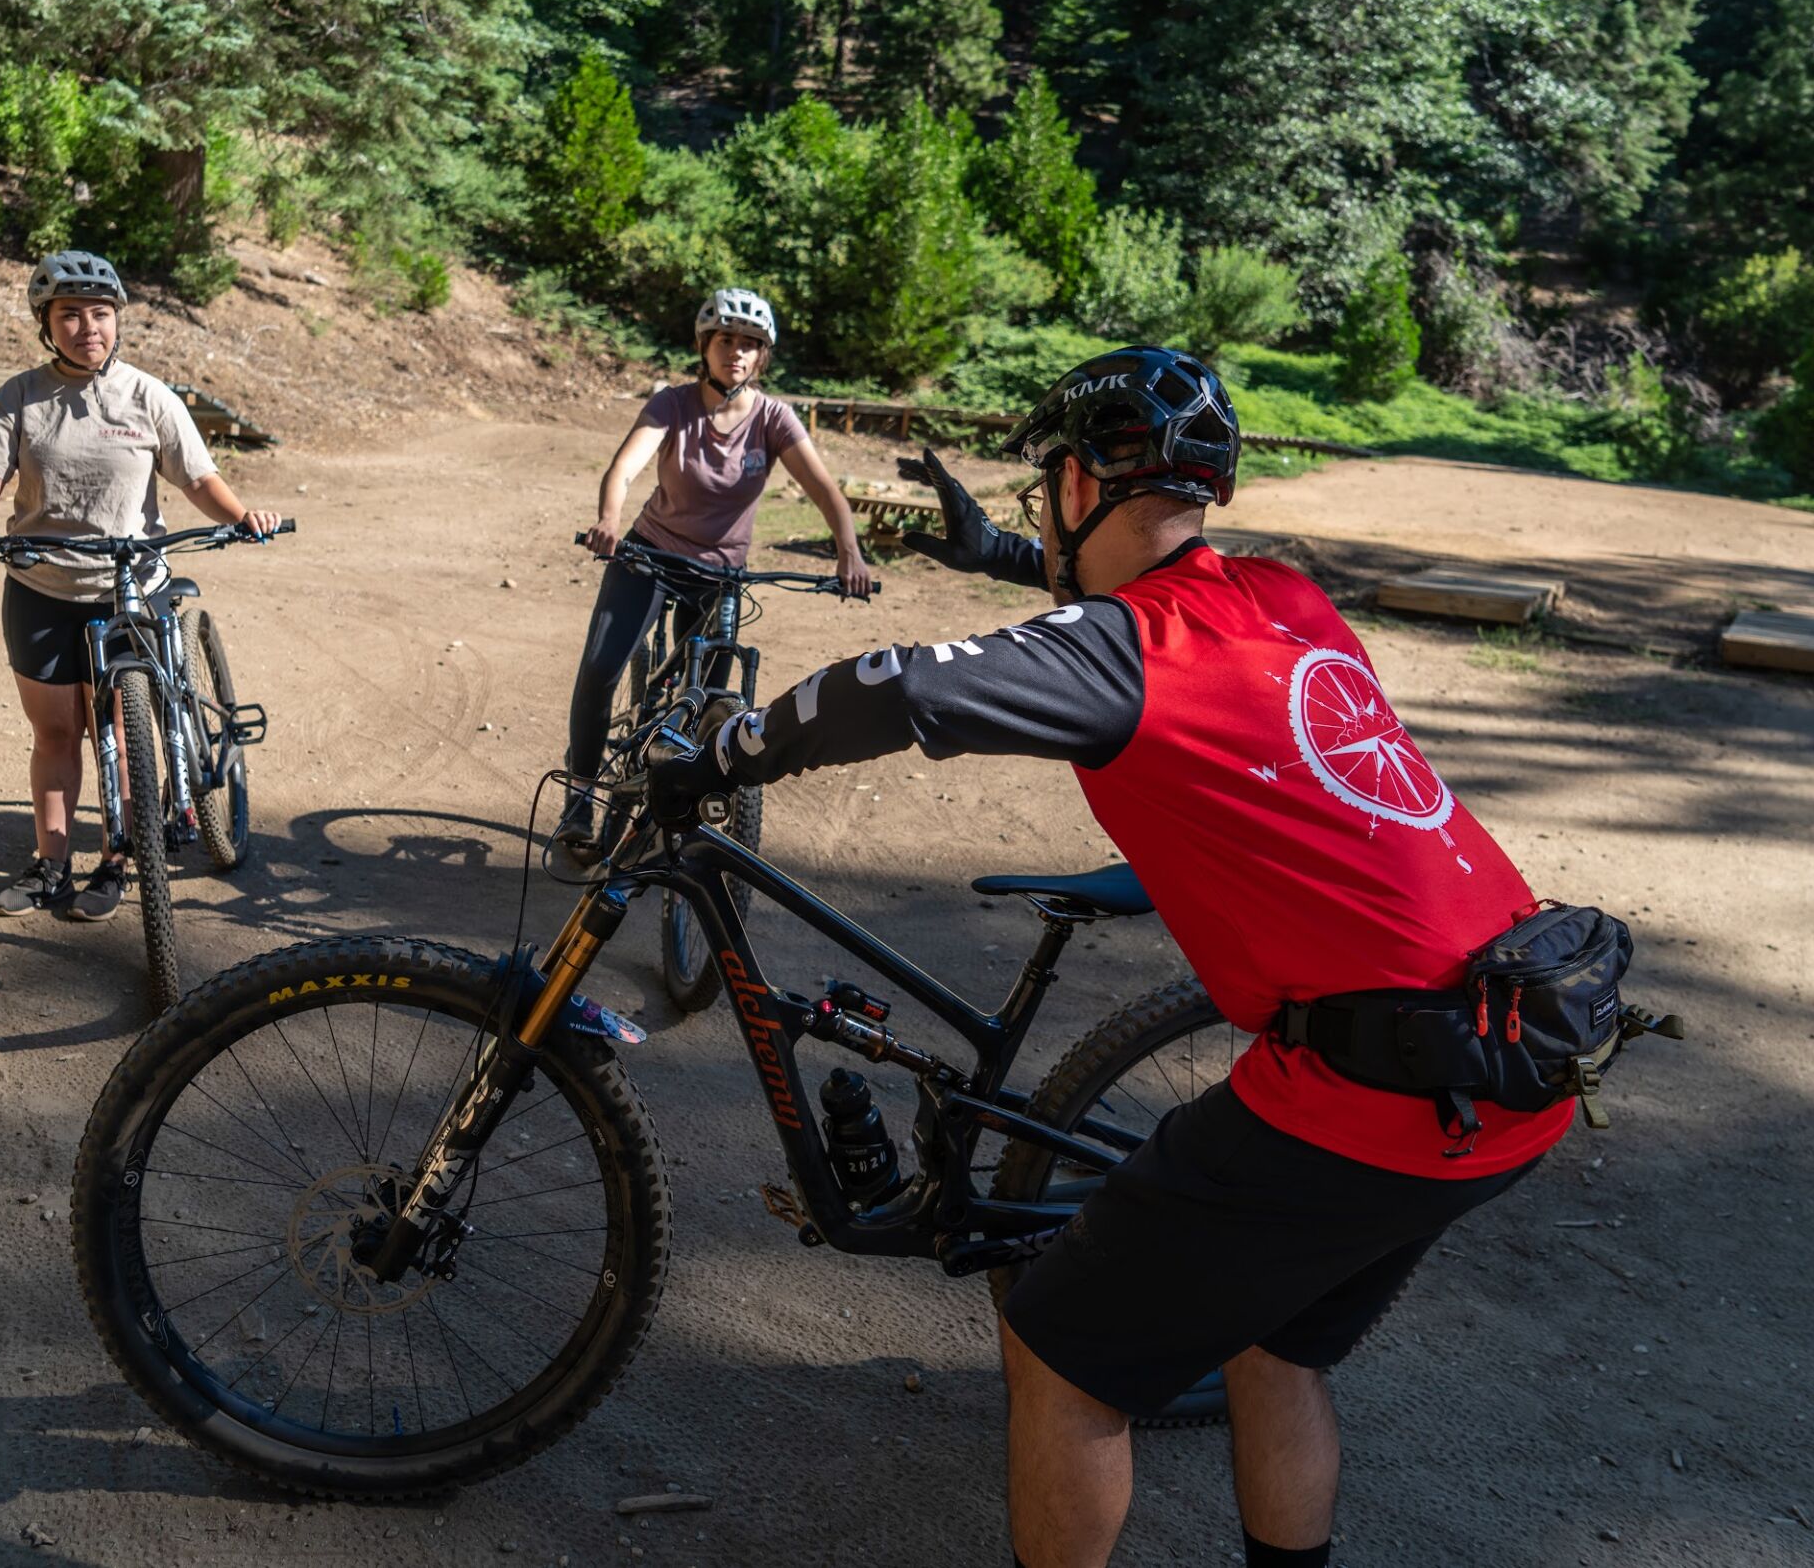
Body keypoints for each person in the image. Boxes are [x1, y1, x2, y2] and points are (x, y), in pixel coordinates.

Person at [651, 347, 1572, 1568]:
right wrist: (995, 554)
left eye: (1046, 490)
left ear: (1079, 484)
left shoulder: (1120, 654)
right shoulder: (1283, 596)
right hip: (1516, 1053)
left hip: (1366, 1096)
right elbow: (1140, 607)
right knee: (1274, 1346)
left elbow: (893, 688)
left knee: (1059, 1356)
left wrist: (720, 756)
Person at [0, 250, 280, 921]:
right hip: (41, 585)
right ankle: (50, 866)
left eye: (100, 313)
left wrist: (242, 515)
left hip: (130, 585)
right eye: (69, 314)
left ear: (117, 320)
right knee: (56, 733)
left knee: (123, 735)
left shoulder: (148, 396)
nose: (87, 327)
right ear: (47, 324)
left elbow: (197, 478)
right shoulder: (21, 396)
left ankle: (117, 861)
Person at [552, 287, 875, 864]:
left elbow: (824, 489)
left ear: (762, 355)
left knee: (706, 704)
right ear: (705, 346)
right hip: (650, 556)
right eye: (726, 339)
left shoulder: (774, 418)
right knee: (601, 667)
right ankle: (578, 801)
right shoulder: (672, 405)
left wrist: (848, 551)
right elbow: (625, 467)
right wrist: (608, 520)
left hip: (722, 575)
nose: (736, 352)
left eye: (749, 343)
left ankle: (682, 809)